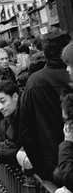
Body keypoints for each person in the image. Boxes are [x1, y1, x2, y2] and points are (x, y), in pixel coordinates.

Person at [19, 32, 73, 180]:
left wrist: (42, 169)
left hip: (53, 163)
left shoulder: (34, 82)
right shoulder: (36, 82)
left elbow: (26, 131)